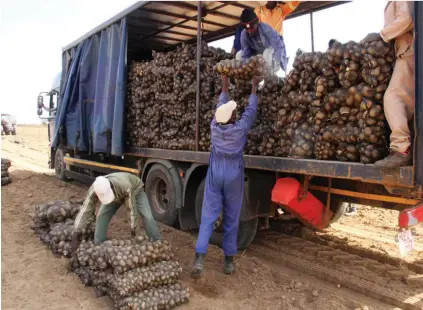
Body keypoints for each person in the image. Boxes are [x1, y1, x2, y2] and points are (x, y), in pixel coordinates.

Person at [191, 75, 260, 278]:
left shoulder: (214, 127)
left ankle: (199, 260)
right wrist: (254, 88)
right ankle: (228, 262)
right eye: (234, 113)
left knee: (208, 217)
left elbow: (221, 105)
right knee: (231, 218)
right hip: (233, 174)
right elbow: (250, 112)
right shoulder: (239, 129)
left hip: (215, 173)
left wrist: (224, 84)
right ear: (231, 118)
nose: (236, 114)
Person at [361, 2, 414, 168]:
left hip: (410, 52)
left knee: (393, 97)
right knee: (407, 105)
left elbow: (407, 19)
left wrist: (381, 35)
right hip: (405, 52)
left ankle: (401, 149)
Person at [71, 172, 162, 251]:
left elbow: (131, 208)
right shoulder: (95, 189)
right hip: (117, 194)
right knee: (102, 215)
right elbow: (85, 209)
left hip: (135, 191)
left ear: (110, 188)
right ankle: (99, 243)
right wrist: (76, 230)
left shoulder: (125, 186)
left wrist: (132, 229)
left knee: (147, 216)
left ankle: (157, 241)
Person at [237, 8, 288, 74]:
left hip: (273, 51)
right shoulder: (244, 35)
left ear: (257, 23)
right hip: (258, 54)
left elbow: (278, 46)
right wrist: (245, 68)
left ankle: (270, 77)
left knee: (267, 53)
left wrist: (277, 62)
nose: (250, 31)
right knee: (239, 55)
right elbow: (246, 54)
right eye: (247, 29)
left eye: (252, 27)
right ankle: (250, 80)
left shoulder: (266, 28)